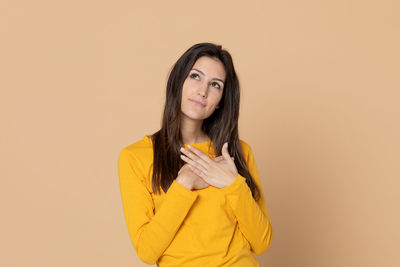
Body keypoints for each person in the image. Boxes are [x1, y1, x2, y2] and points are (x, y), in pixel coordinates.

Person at [118, 42, 273, 266]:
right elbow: (147, 251)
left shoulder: (237, 153)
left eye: (216, 85)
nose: (203, 91)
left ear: (221, 102)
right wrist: (184, 183)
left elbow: (262, 242)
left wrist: (232, 184)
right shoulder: (135, 157)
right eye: (195, 76)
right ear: (178, 81)